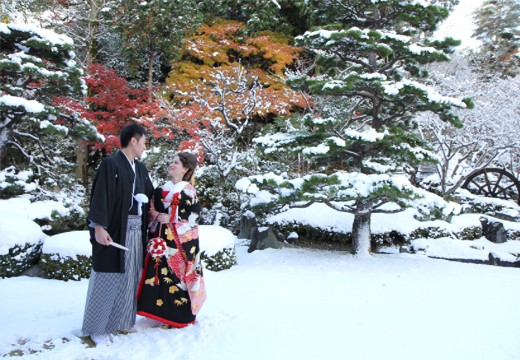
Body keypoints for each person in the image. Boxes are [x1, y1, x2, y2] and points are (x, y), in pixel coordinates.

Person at [81, 123, 154, 344]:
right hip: (114, 230)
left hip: (135, 229)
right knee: (107, 275)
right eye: (143, 142)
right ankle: (92, 328)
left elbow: (151, 195)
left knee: (131, 276)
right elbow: (100, 196)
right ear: (133, 141)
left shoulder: (140, 168)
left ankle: (121, 322)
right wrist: (99, 228)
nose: (144, 147)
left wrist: (162, 206)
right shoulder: (110, 164)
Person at [137, 152, 206, 328]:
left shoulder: (189, 191)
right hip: (160, 237)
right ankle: (159, 312)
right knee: (159, 273)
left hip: (180, 241)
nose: (172, 165)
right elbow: (151, 210)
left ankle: (178, 316)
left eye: (176, 163)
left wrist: (172, 218)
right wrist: (155, 215)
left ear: (186, 169)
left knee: (179, 276)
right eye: (172, 161)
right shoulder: (160, 188)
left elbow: (194, 215)